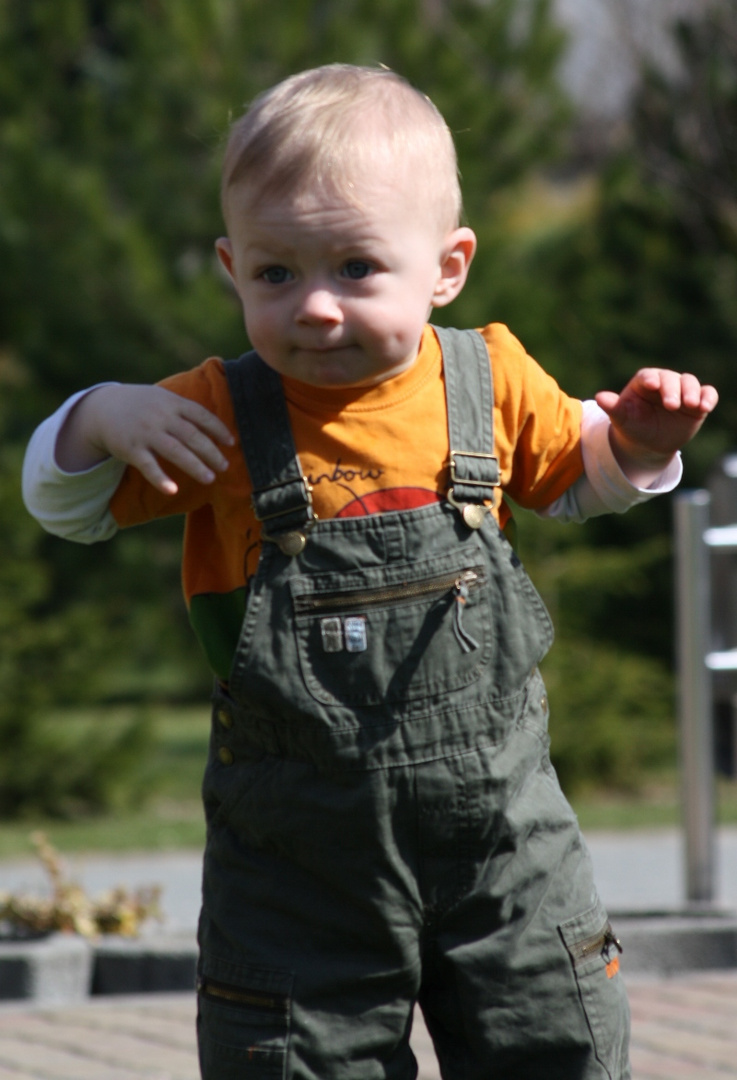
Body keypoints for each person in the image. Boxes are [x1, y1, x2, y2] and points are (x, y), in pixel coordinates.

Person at [23, 64, 717, 1080]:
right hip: (300, 861)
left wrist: (644, 446)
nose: (313, 308)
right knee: (298, 1057)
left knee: (549, 1040)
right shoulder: (214, 411)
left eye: (354, 268)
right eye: (274, 274)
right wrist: (95, 416)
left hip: (500, 846)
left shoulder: (487, 376)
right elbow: (67, 506)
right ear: (230, 265)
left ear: (446, 265)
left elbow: (581, 477)